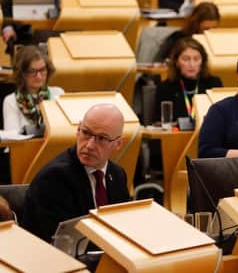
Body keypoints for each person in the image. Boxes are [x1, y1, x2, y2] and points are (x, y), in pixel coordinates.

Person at [22, 104, 130, 241]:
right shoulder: (54, 178)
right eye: (86, 133)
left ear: (118, 144)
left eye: (102, 138)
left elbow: (124, 229)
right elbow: (61, 242)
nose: (89, 145)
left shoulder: (118, 174)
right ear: (78, 130)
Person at [155, 37, 222, 122]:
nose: (191, 64)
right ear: (176, 62)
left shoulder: (213, 84)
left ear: (202, 61)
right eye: (186, 59)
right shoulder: (166, 87)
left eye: (196, 59)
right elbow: (159, 122)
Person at [2, 46, 64, 138]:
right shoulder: (11, 101)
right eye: (32, 71)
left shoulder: (58, 93)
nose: (39, 76)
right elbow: (13, 139)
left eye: (42, 70)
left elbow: (63, 130)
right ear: (22, 74)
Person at [155, 2, 220, 62]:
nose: (209, 33)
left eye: (213, 29)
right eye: (206, 29)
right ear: (196, 24)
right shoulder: (177, 39)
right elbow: (162, 63)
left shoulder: (219, 41)